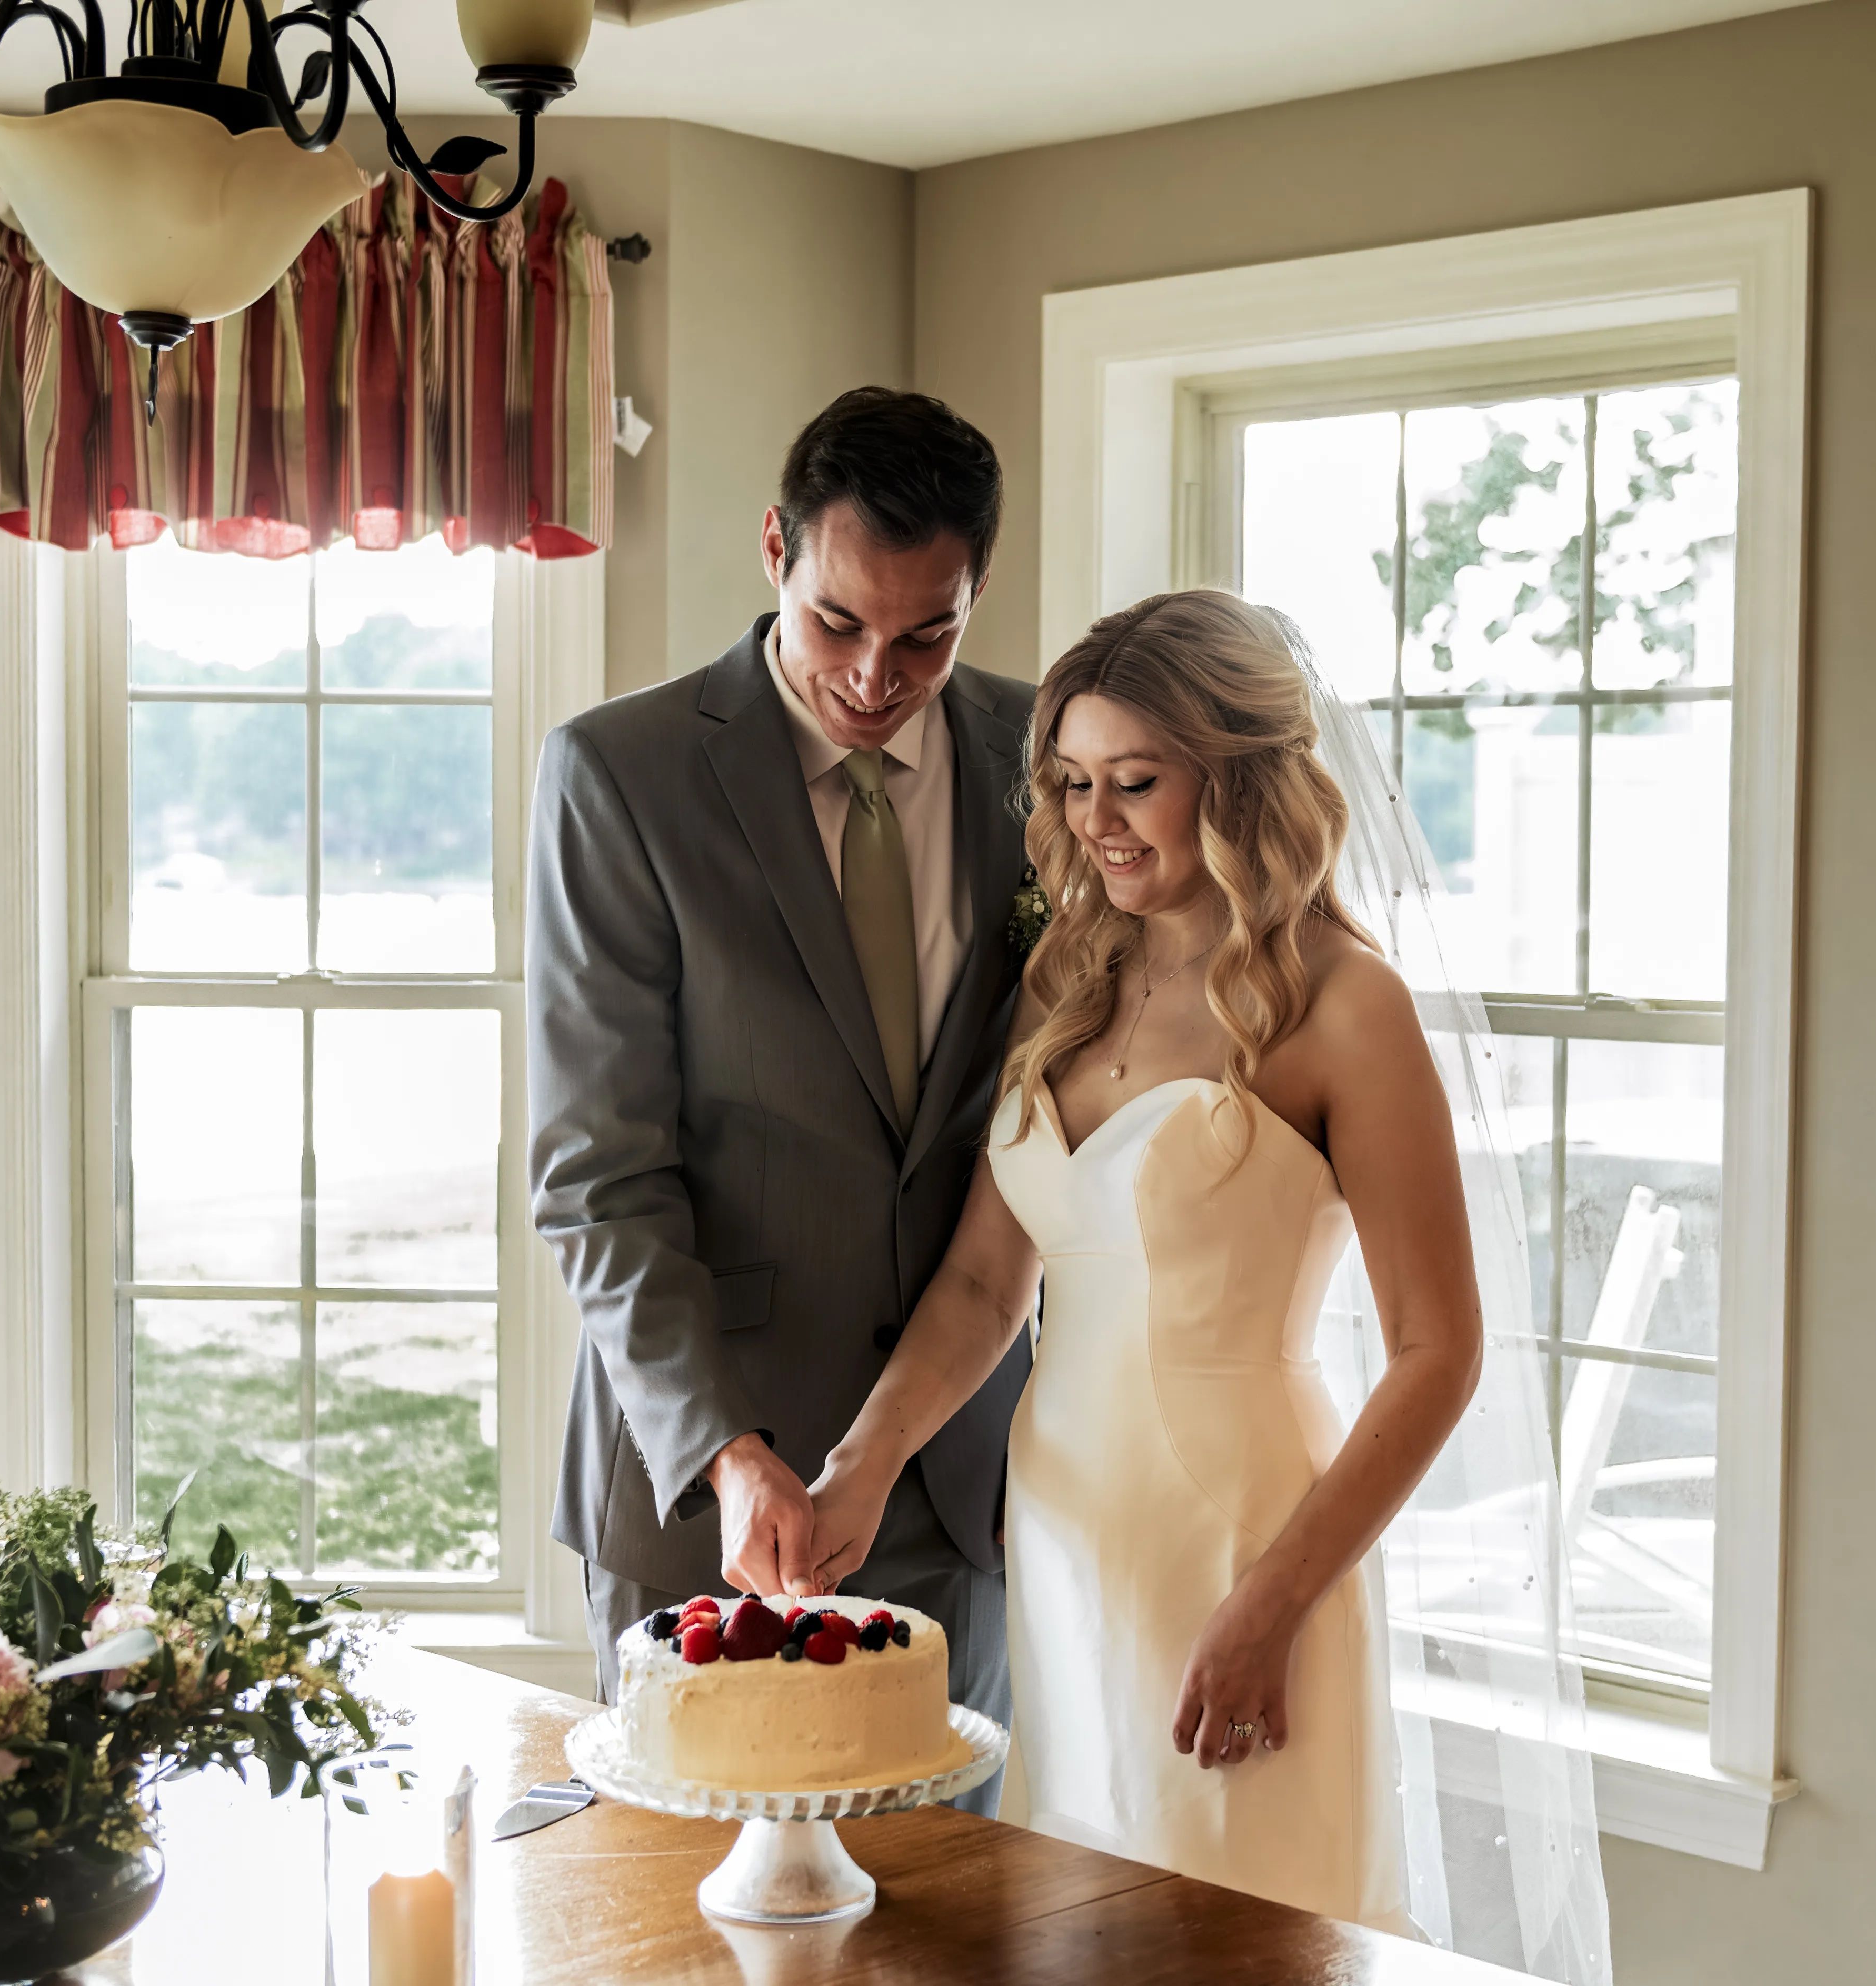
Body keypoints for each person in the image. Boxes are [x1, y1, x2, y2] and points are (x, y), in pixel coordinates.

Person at [802, 589, 1493, 1925]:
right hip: (1064, 1538)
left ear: (1237, 780)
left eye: (1135, 783)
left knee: (1239, 1930)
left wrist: (1273, 1605)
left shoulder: (1347, 1005)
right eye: (1072, 784)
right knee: (1078, 1928)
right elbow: (986, 1283)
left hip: (1246, 1545)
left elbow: (1437, 1352)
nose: (1094, 821)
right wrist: (864, 1462)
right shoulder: (1066, 975)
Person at [526, 387, 1035, 1811]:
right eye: (837, 621)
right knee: (684, 1907)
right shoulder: (621, 774)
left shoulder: (1047, 758)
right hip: (699, 1488)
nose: (876, 674)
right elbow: (597, 1177)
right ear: (774, 550)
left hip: (952, 1480)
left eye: (928, 634)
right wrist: (725, 1451)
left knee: (942, 1903)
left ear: (976, 592)